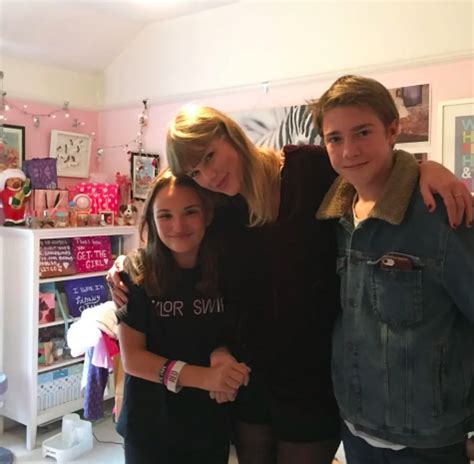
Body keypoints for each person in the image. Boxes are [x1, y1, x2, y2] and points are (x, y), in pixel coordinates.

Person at [109, 104, 472, 464]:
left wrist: (425, 169)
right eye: (195, 171)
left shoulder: (308, 169)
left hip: (313, 376)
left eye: (209, 156)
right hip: (249, 376)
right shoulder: (221, 209)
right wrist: (128, 264)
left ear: (229, 135)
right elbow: (175, 237)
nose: (208, 175)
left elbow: (370, 171)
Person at [313, 74, 474, 464]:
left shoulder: (439, 213)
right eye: (335, 138)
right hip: (355, 427)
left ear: (392, 130)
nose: (349, 150)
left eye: (362, 132)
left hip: (428, 439)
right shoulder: (332, 219)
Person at [115, 168, 250, 464]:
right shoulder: (135, 274)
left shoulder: (227, 272)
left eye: (190, 212)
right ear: (152, 220)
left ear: (208, 215)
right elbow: (133, 359)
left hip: (209, 424)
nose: (178, 225)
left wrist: (222, 357)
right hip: (150, 428)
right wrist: (206, 378)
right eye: (165, 215)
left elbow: (229, 333)